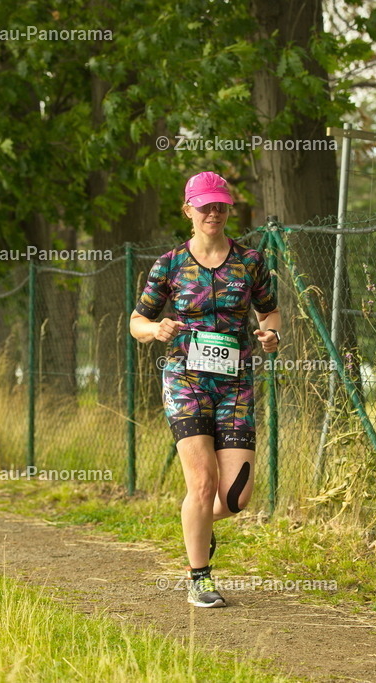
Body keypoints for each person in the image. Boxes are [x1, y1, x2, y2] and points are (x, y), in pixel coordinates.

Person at [129, 171, 280, 607]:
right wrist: (156, 328)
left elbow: (271, 314)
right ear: (188, 210)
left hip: (235, 384)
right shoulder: (170, 263)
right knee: (202, 482)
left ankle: (197, 526)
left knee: (235, 497)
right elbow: (136, 322)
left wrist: (270, 335)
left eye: (220, 205)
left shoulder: (251, 261)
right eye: (204, 205)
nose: (213, 212)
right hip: (185, 378)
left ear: (228, 209)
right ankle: (200, 576)